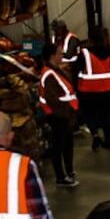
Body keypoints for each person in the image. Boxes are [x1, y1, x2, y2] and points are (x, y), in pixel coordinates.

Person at [76, 24, 110, 152]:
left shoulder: (84, 53)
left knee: (89, 114)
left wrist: (76, 89)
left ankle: (95, 135)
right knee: (106, 115)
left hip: (88, 91)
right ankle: (108, 140)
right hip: (108, 90)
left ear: (90, 39)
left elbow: (77, 72)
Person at [39, 44, 80, 187]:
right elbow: (52, 99)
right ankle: (61, 177)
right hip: (58, 116)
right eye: (59, 53)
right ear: (52, 55)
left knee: (67, 144)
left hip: (64, 115)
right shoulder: (50, 74)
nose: (62, 55)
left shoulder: (55, 71)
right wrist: (68, 108)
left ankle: (69, 172)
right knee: (59, 145)